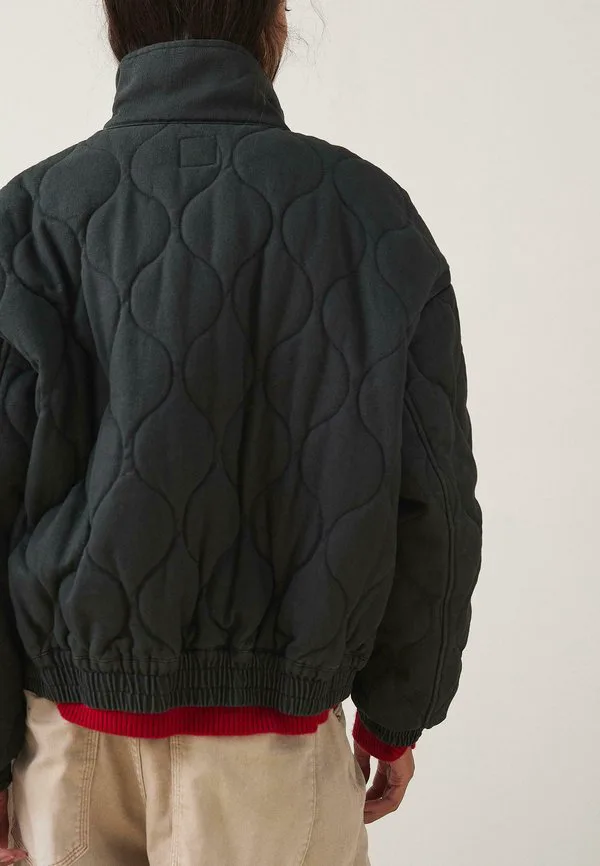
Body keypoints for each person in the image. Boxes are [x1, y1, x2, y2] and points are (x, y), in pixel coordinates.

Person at [0, 1, 483, 864]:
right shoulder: (371, 216)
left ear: (117, 21)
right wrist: (397, 714)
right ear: (275, 22)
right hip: (274, 760)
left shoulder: (30, 217)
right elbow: (434, 501)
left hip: (66, 747)